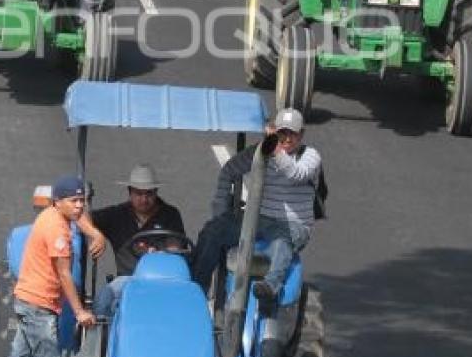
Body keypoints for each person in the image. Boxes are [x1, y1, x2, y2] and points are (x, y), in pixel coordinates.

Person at [0, 175, 100, 357]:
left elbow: (79, 219)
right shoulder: (58, 231)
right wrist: (81, 311)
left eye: (83, 201)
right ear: (58, 202)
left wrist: (94, 232)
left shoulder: (50, 215)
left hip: (27, 300)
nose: (80, 207)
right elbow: (64, 275)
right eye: (74, 201)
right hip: (40, 306)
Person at [192, 110, 323, 307]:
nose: (287, 138)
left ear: (301, 134)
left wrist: (275, 149)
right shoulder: (260, 153)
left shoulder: (310, 156)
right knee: (212, 231)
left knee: (281, 242)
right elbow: (229, 171)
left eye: (292, 134)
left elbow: (296, 174)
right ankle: (196, 290)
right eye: (282, 133)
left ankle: (271, 286)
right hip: (260, 219)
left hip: (292, 225)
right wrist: (220, 212)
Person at [92, 165, 187, 318]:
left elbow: (176, 248)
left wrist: (158, 254)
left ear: (156, 193)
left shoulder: (171, 215)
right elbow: (82, 218)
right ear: (129, 192)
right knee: (104, 300)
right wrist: (95, 234)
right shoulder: (116, 215)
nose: (144, 199)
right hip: (128, 280)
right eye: (139, 194)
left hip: (164, 281)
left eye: (149, 194)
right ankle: (104, 339)